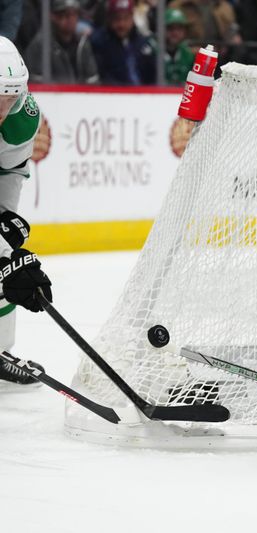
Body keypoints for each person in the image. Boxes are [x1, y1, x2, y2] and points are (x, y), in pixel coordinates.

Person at [0, 37, 53, 386]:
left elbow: (8, 179)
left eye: (8, 101)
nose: (1, 112)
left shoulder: (21, 120)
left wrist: (6, 255)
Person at [24, 0, 99, 84]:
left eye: (74, 14)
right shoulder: (40, 45)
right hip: (51, 95)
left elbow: (92, 80)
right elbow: (36, 83)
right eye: (65, 14)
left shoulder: (83, 43)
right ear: (53, 16)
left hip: (81, 96)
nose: (71, 19)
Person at [90, 0, 157, 85]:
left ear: (132, 17)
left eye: (126, 18)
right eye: (117, 19)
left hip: (146, 95)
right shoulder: (99, 43)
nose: (122, 24)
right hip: (114, 95)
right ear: (109, 19)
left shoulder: (143, 43)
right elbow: (102, 77)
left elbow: (153, 75)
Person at [163, 8, 193, 86]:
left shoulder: (188, 54)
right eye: (171, 28)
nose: (175, 33)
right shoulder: (153, 53)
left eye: (179, 28)